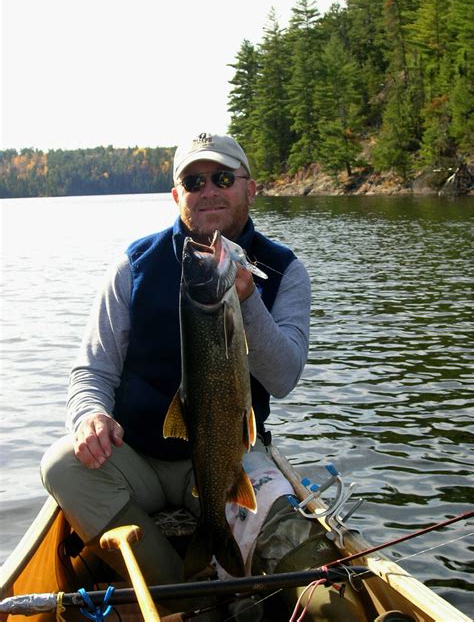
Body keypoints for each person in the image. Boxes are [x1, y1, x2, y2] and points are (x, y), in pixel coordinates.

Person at [40, 133, 364, 621]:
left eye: (223, 178)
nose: (209, 190)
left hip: (229, 452)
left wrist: (249, 300)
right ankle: (189, 595)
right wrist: (89, 416)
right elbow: (93, 367)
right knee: (62, 463)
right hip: (139, 455)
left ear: (250, 189)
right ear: (177, 196)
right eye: (194, 181)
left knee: (312, 572)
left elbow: (283, 377)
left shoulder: (285, 270)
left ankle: (250, 579)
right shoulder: (135, 264)